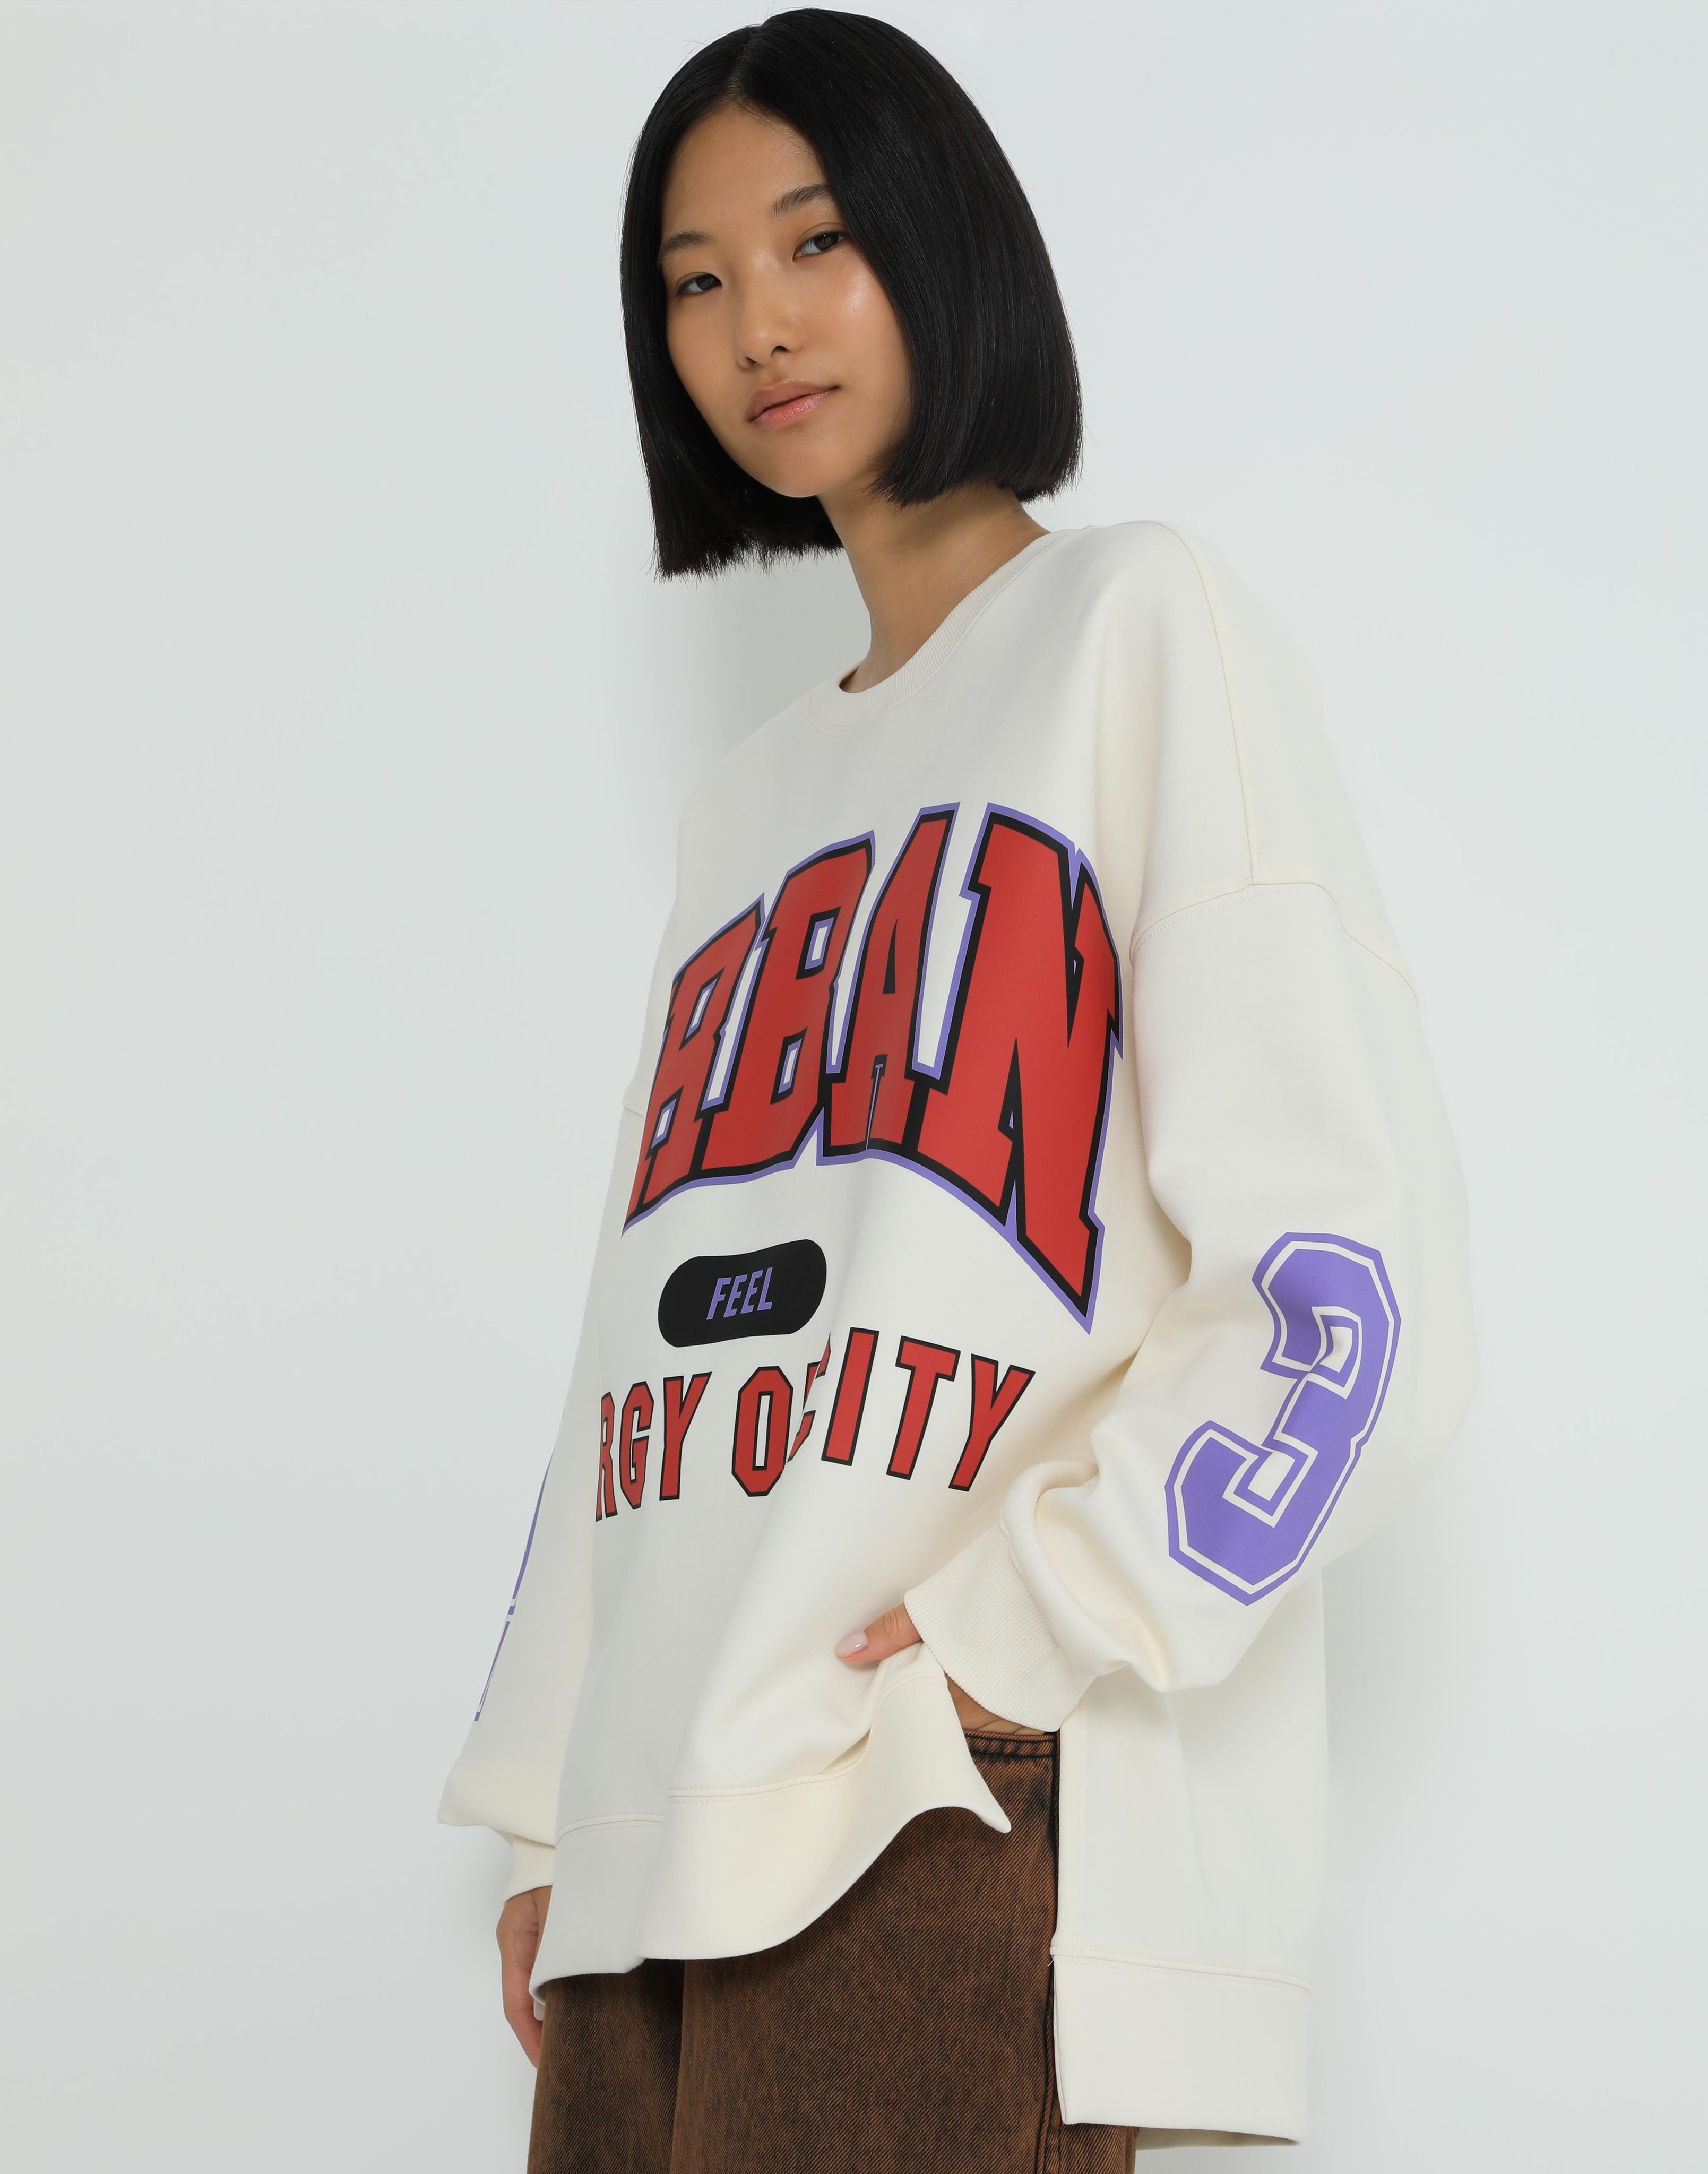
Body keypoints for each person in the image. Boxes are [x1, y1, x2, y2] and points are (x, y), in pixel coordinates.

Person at [438, 12, 1478, 2168]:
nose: (756, 322)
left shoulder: (1136, 627)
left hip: (939, 1802)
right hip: (654, 1840)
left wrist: (1020, 1634)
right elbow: (634, 1333)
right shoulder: (747, 804)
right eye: (695, 278)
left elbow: (1339, 1267)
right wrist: (554, 1800)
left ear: (940, 242)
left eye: (814, 240)